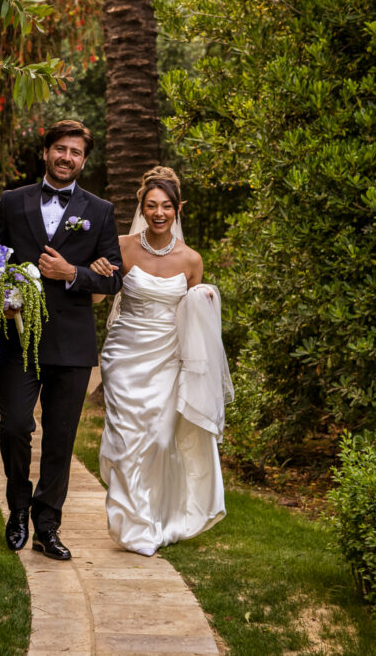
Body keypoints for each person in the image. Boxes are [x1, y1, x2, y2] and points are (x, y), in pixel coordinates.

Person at [0, 120, 124, 561]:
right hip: (18, 339)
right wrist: (0, 295)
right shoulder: (12, 201)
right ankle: (18, 508)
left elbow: (115, 277)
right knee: (14, 428)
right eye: (60, 149)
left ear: (85, 160)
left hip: (72, 343)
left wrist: (73, 275)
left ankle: (48, 526)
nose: (67, 157)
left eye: (76, 152)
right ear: (45, 152)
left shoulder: (99, 211)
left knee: (60, 439)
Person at [90, 166, 233, 557]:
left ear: (177, 208)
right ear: (141, 206)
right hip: (124, 354)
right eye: (151, 205)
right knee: (124, 441)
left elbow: (194, 318)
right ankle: (132, 526)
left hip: (168, 358)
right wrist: (95, 274)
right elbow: (97, 299)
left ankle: (155, 518)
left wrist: (204, 303)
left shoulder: (191, 260)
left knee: (159, 439)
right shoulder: (120, 246)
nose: (158, 213)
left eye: (166, 206)